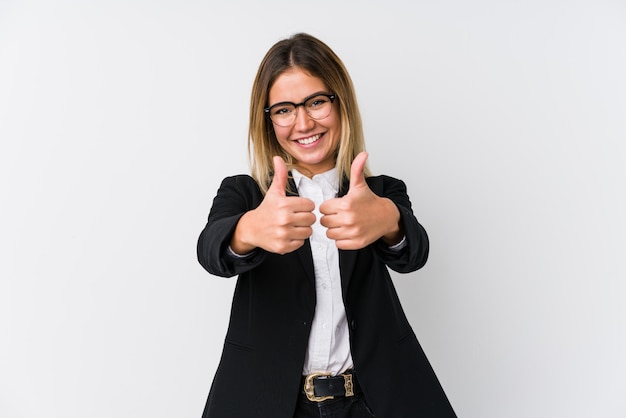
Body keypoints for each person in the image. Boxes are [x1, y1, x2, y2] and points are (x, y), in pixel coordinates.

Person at [197, 33, 456, 418]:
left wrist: (388, 218)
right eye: (284, 109)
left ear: (340, 103)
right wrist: (249, 229)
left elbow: (413, 253)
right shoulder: (245, 193)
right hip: (269, 403)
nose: (303, 122)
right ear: (267, 120)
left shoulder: (380, 192)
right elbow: (211, 250)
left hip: (371, 402)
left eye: (316, 102)